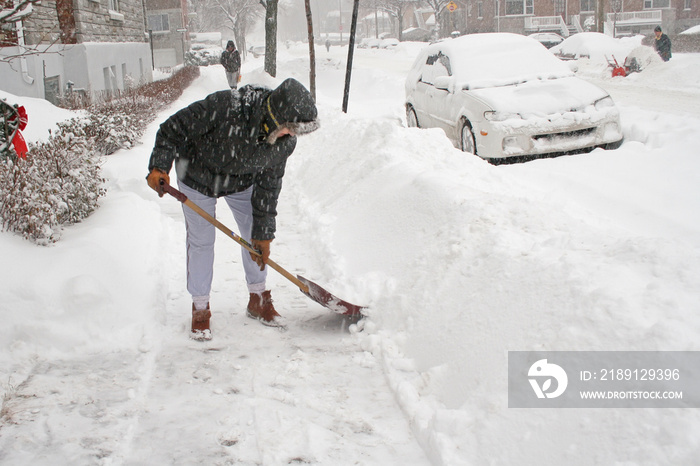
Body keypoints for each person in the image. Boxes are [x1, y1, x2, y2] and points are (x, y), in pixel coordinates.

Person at [146, 78, 319, 340]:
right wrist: (159, 166)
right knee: (201, 241)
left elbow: (269, 186)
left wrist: (263, 233)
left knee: (254, 236)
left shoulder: (284, 143)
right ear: (276, 117)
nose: (292, 135)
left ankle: (258, 297)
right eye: (290, 129)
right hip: (197, 176)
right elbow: (172, 128)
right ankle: (200, 307)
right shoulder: (227, 107)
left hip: (241, 181)